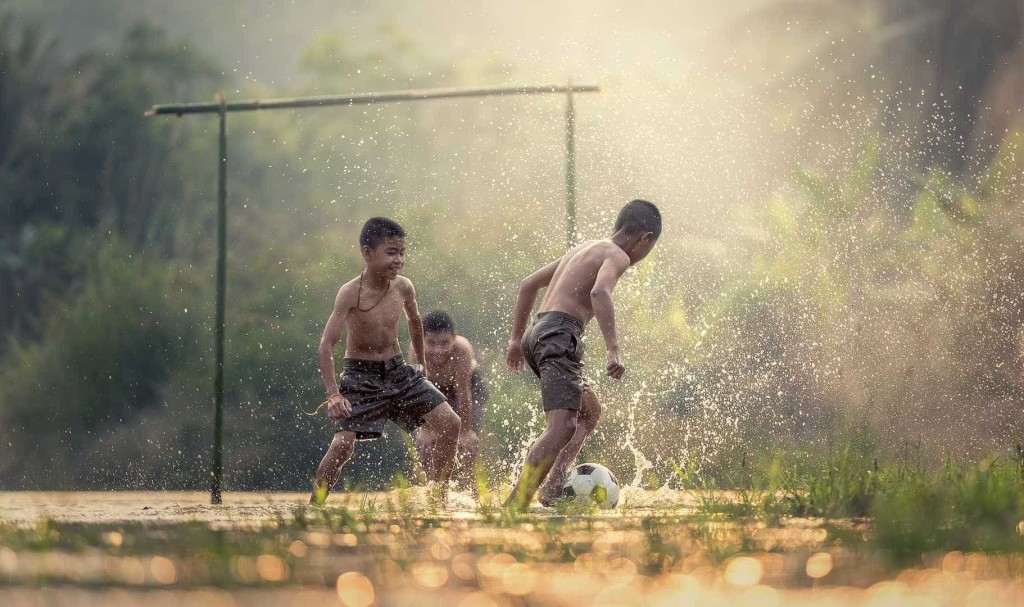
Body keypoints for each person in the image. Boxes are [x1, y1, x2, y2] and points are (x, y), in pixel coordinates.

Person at [504, 199, 662, 510]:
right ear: (644, 238)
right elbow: (599, 292)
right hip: (560, 334)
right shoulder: (618, 255)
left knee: (589, 412)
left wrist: (514, 339)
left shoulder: (585, 248)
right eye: (650, 247)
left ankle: (551, 488)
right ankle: (514, 506)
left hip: (539, 333)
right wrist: (613, 349)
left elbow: (528, 285)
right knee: (561, 426)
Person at [310, 217, 462, 505]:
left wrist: (421, 368)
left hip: (398, 371)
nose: (399, 260)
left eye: (402, 253)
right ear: (368, 254)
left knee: (451, 424)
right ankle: (314, 507)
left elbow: (415, 322)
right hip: (360, 375)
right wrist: (333, 394)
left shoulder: (404, 287)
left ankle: (438, 499)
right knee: (343, 444)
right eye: (391, 252)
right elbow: (325, 346)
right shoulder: (350, 293)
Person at [413, 310, 488, 484]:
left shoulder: (462, 349)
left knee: (466, 443)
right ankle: (433, 487)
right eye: (431, 343)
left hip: (468, 387)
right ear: (422, 340)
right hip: (432, 389)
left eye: (444, 343)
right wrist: (425, 429)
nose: (437, 350)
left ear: (454, 338)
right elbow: (418, 391)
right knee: (426, 444)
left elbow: (463, 392)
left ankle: (469, 485)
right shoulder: (416, 351)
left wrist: (465, 431)